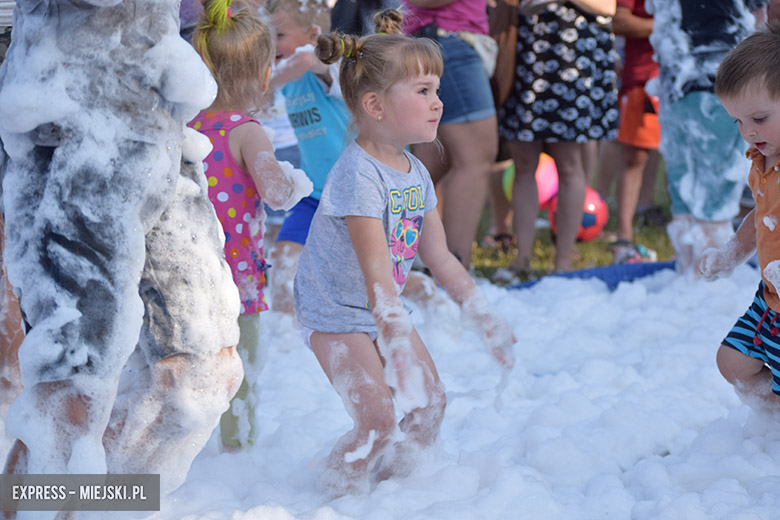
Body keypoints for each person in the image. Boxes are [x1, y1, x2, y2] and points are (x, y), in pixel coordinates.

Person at [0, 0, 243, 497]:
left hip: (159, 119)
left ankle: (103, 506)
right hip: (69, 122)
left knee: (200, 378)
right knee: (73, 393)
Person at [295, 10, 517, 497]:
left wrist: (482, 314)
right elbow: (376, 268)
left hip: (381, 307)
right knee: (376, 421)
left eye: (436, 89)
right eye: (423, 91)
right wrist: (393, 336)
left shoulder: (415, 171)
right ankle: (335, 495)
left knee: (430, 405)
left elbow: (439, 257)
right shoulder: (359, 175)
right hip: (336, 313)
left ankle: (394, 493)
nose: (438, 102)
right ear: (375, 105)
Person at [188, 0, 312, 448]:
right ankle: (236, 456)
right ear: (263, 75)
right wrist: (298, 183)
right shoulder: (246, 130)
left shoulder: (185, 124)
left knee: (188, 375)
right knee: (239, 377)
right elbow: (276, 193)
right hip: (237, 277)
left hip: (186, 272)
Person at [646, 0, 768, 275]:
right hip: (716, 80)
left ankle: (688, 276)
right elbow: (759, 21)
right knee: (713, 197)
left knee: (685, 193)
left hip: (678, 82)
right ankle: (706, 283)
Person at [498, 0, 620, 274]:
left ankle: (563, 260)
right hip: (525, 54)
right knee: (523, 163)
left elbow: (608, 7)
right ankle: (522, 258)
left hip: (572, 57)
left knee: (569, 164)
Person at [700, 23, 780, 410]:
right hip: (770, 299)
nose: (748, 132)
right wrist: (730, 254)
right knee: (733, 362)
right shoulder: (762, 161)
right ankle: (773, 417)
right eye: (738, 121)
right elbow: (761, 216)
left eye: (759, 119)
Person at [263, 0, 351, 314]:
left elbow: (306, 59)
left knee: (362, 275)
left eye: (279, 35)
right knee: (283, 261)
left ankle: (428, 298)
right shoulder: (288, 79)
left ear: (313, 34)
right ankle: (287, 335)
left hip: (354, 193)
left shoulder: (331, 70)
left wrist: (270, 83)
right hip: (314, 195)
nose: (271, 44)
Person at [401, 0, 499, 269]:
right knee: (475, 160)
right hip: (448, 41)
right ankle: (454, 274)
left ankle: (396, 262)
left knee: (427, 166)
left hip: (437, 41)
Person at [608, 0, 661, 264]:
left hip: (691, 79)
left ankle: (693, 235)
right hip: (643, 78)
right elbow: (619, 20)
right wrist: (666, 26)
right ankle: (624, 236)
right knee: (635, 157)